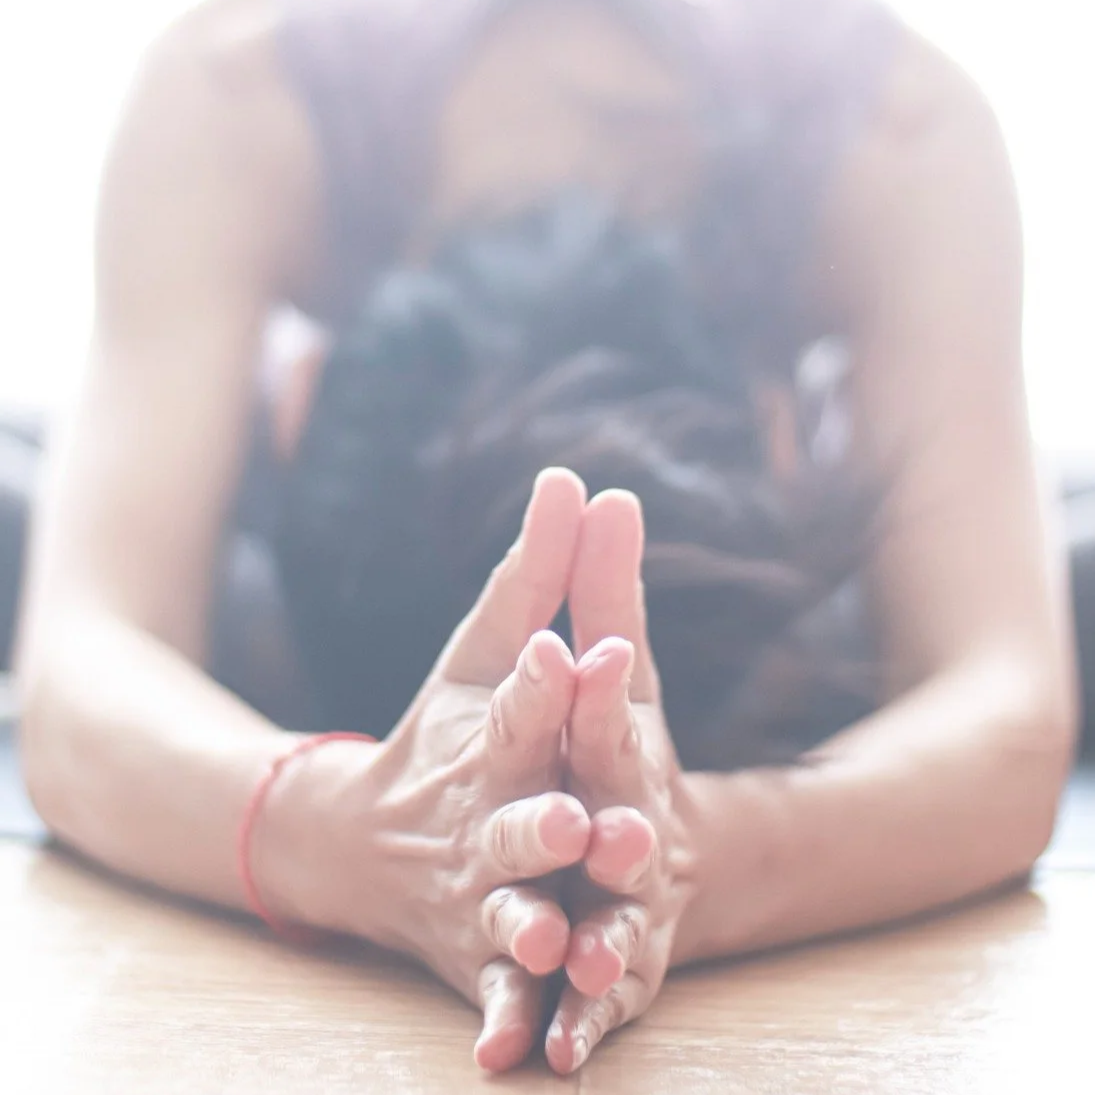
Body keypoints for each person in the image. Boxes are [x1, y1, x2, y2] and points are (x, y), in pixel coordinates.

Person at [11, 0, 1077, 1076]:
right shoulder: (233, 94)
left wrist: (682, 859)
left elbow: (1009, 713)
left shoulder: (898, 131)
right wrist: (367, 835)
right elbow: (75, 675)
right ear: (292, 404)